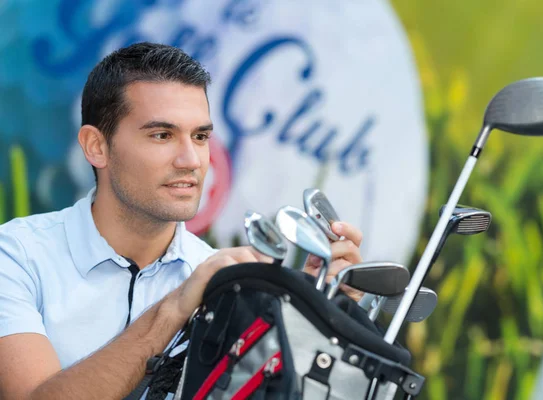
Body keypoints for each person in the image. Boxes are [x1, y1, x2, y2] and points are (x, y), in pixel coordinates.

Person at [0, 42, 364, 400]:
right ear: (96, 146)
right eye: (162, 135)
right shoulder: (16, 255)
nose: (191, 160)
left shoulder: (223, 278)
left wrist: (320, 324)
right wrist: (176, 307)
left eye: (201, 136)